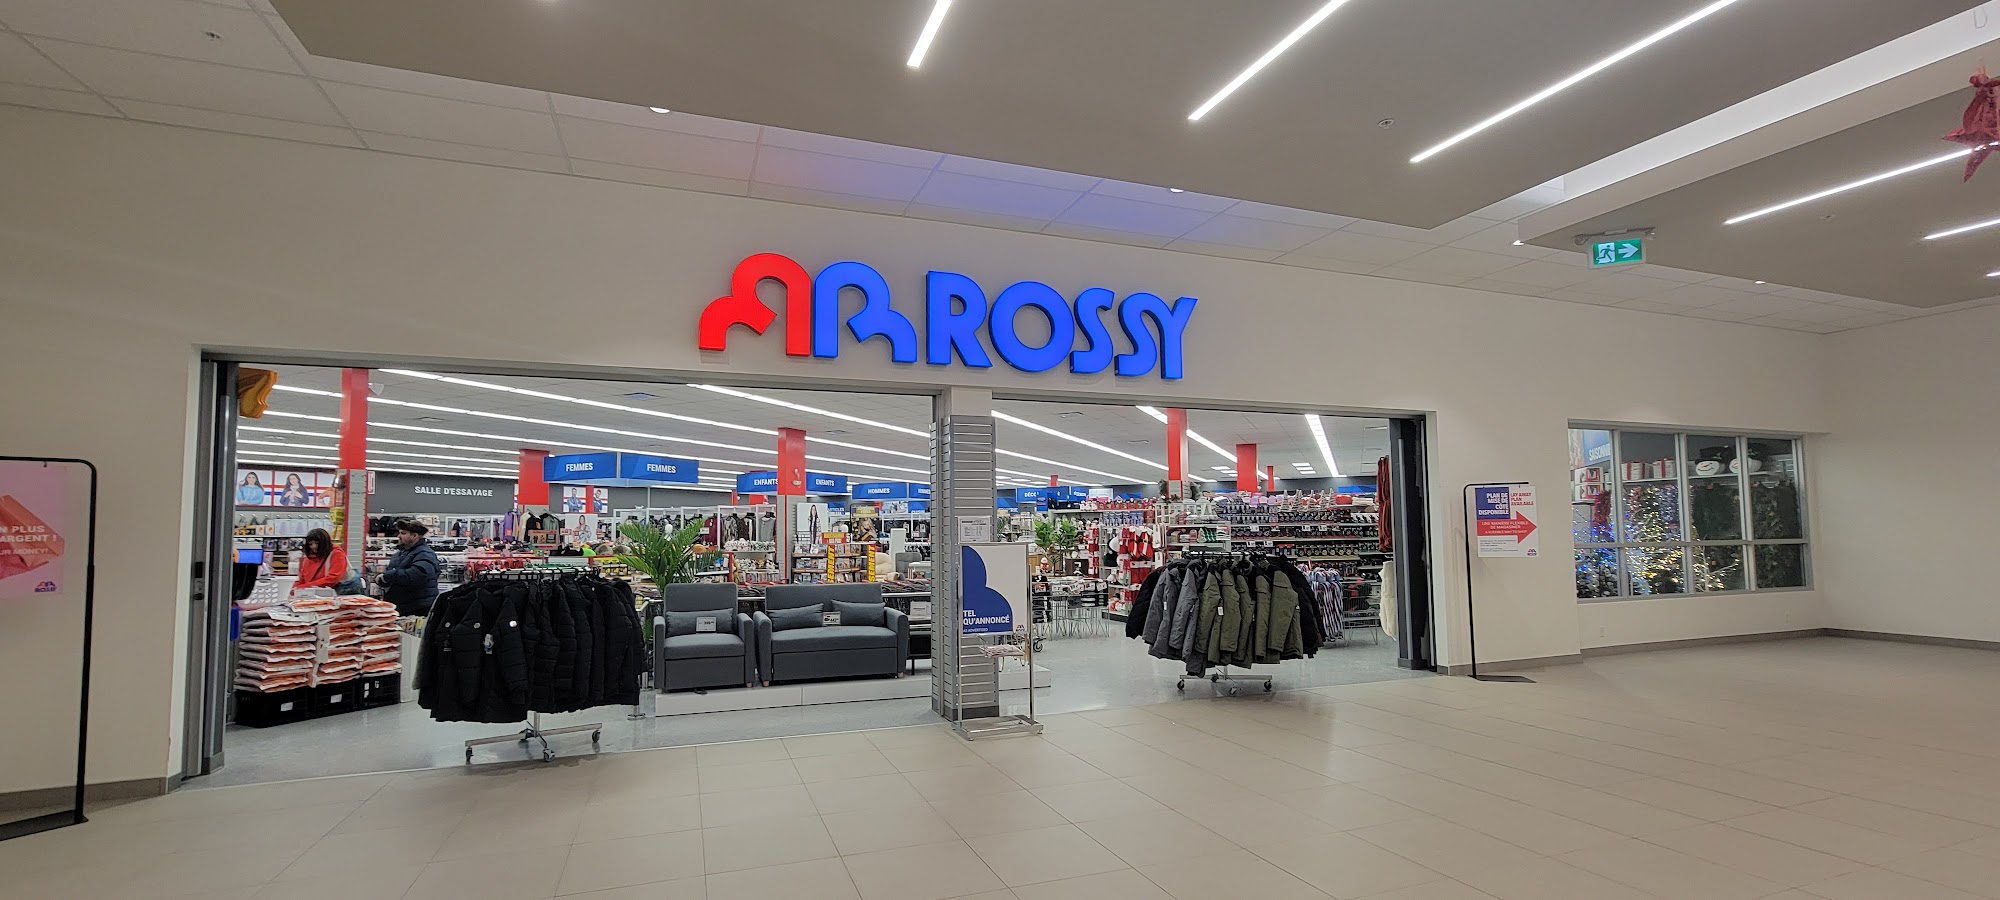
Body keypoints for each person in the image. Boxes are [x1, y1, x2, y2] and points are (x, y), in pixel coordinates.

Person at [380, 519, 441, 615]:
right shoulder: (401, 553)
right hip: (403, 607)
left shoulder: (425, 554)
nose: (399, 536)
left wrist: (388, 576)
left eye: (403, 533)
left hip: (417, 609)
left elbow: (418, 575)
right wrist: (383, 580)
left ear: (414, 536)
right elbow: (391, 573)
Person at [294, 528, 361, 594]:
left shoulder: (337, 554)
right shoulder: (309, 558)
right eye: (310, 544)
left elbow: (333, 578)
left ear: (324, 543)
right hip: (323, 589)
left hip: (346, 589)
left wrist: (304, 587)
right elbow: (302, 578)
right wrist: (295, 589)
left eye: (317, 543)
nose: (313, 546)